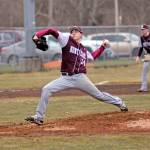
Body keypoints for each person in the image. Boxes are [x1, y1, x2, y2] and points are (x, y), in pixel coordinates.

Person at [25, 26, 128, 125]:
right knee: (46, 89)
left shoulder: (83, 50)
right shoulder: (66, 39)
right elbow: (52, 31)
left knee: (99, 96)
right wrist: (37, 35)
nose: (73, 33)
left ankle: (120, 102)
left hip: (80, 78)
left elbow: (92, 56)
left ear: (81, 34)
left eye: (76, 31)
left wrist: (102, 47)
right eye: (72, 31)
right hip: (65, 78)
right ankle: (39, 117)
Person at [136, 24, 150, 92]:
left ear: (147, 29)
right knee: (144, 71)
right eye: (142, 29)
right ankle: (143, 87)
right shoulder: (141, 38)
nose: (143, 30)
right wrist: (138, 56)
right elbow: (141, 47)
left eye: (144, 29)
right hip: (147, 55)